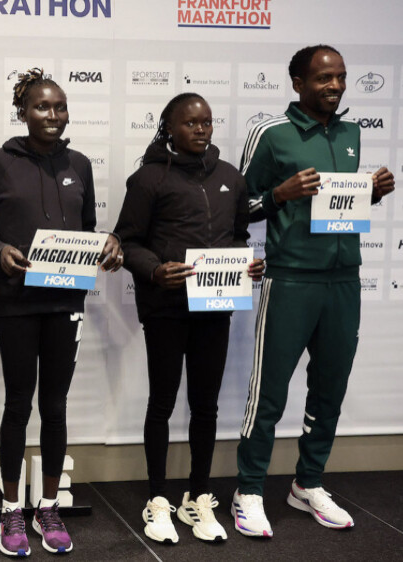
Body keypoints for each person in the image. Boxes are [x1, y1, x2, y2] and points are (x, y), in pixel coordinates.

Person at [233, 45, 394, 537]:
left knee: (330, 390)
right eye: (324, 78)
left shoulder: (351, 133)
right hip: (291, 279)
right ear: (298, 82)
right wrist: (279, 194)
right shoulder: (271, 133)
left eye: (341, 77)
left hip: (344, 279)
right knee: (269, 393)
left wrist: (370, 192)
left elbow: (339, 204)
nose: (335, 86)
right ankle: (249, 490)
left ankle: (308, 483)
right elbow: (238, 206)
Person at [0, 68, 123, 556]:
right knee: (18, 404)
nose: (53, 115)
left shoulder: (79, 164)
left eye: (60, 106)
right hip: (16, 304)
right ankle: (10, 510)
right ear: (23, 111)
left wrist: (108, 245)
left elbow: (87, 229)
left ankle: (49, 505)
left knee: (55, 407)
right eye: (42, 106)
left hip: (65, 302)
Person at [113, 93, 264, 544]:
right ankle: (158, 498)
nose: (201, 129)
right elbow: (127, 242)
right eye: (191, 123)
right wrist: (155, 270)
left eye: (207, 122)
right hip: (165, 308)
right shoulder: (148, 178)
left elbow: (238, 237)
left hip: (215, 307)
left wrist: (246, 265)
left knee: (206, 405)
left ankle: (198, 496)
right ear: (169, 128)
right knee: (161, 402)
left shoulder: (231, 177)